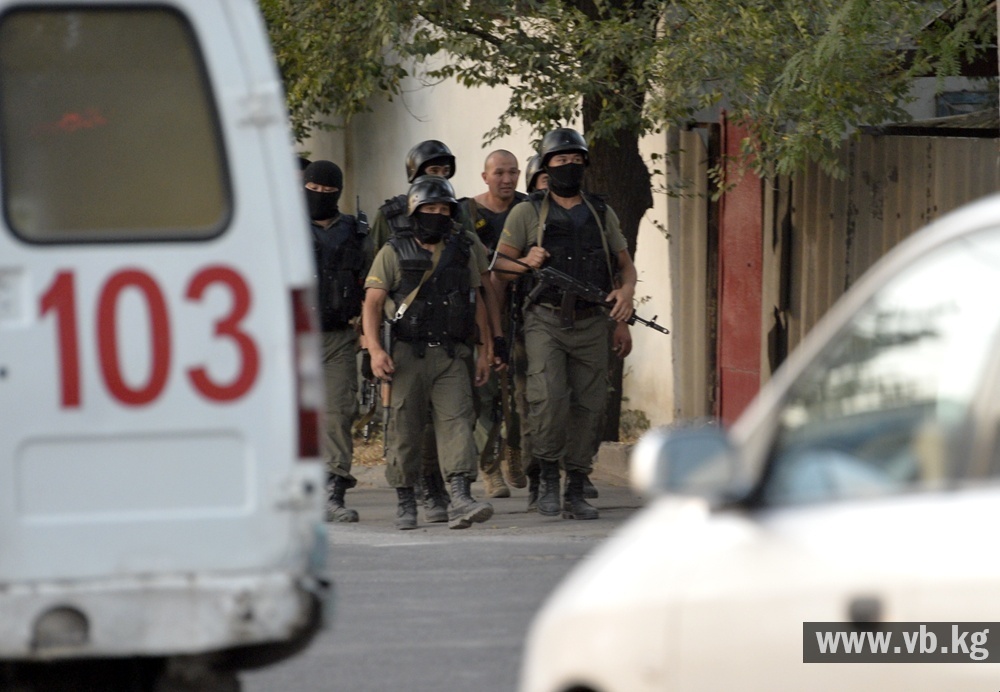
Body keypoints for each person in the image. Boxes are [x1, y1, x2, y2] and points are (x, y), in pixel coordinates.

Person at [492, 128, 637, 520]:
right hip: (545, 319)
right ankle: (546, 477)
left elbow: (625, 266)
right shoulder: (528, 212)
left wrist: (626, 295)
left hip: (593, 321)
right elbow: (498, 266)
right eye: (561, 160)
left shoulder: (600, 212)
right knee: (549, 399)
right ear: (547, 165)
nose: (569, 166)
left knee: (589, 405)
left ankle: (576, 483)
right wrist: (526, 262)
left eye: (576, 160)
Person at [363, 175, 495, 530]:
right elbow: (372, 304)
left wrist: (485, 350)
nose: (437, 215)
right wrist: (375, 350)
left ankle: (460, 496)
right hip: (406, 355)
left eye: (443, 209)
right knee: (404, 430)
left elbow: (477, 300)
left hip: (451, 354)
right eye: (429, 208)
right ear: (414, 211)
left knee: (458, 422)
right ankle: (406, 499)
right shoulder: (393, 251)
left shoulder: (462, 249)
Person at [304, 160, 373, 523]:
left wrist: (369, 336)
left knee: (338, 414)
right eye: (312, 190)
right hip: (292, 338)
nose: (319, 196)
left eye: (327, 192)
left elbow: (373, 287)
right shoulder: (283, 228)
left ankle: (333, 492)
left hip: (338, 338)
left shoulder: (355, 232)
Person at [462, 150, 530, 498]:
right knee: (487, 395)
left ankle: (515, 450)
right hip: (482, 317)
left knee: (523, 394)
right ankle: (490, 467)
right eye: (499, 172)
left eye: (513, 172)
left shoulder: (529, 209)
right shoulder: (467, 213)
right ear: (485, 176)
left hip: (524, 314)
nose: (507, 179)